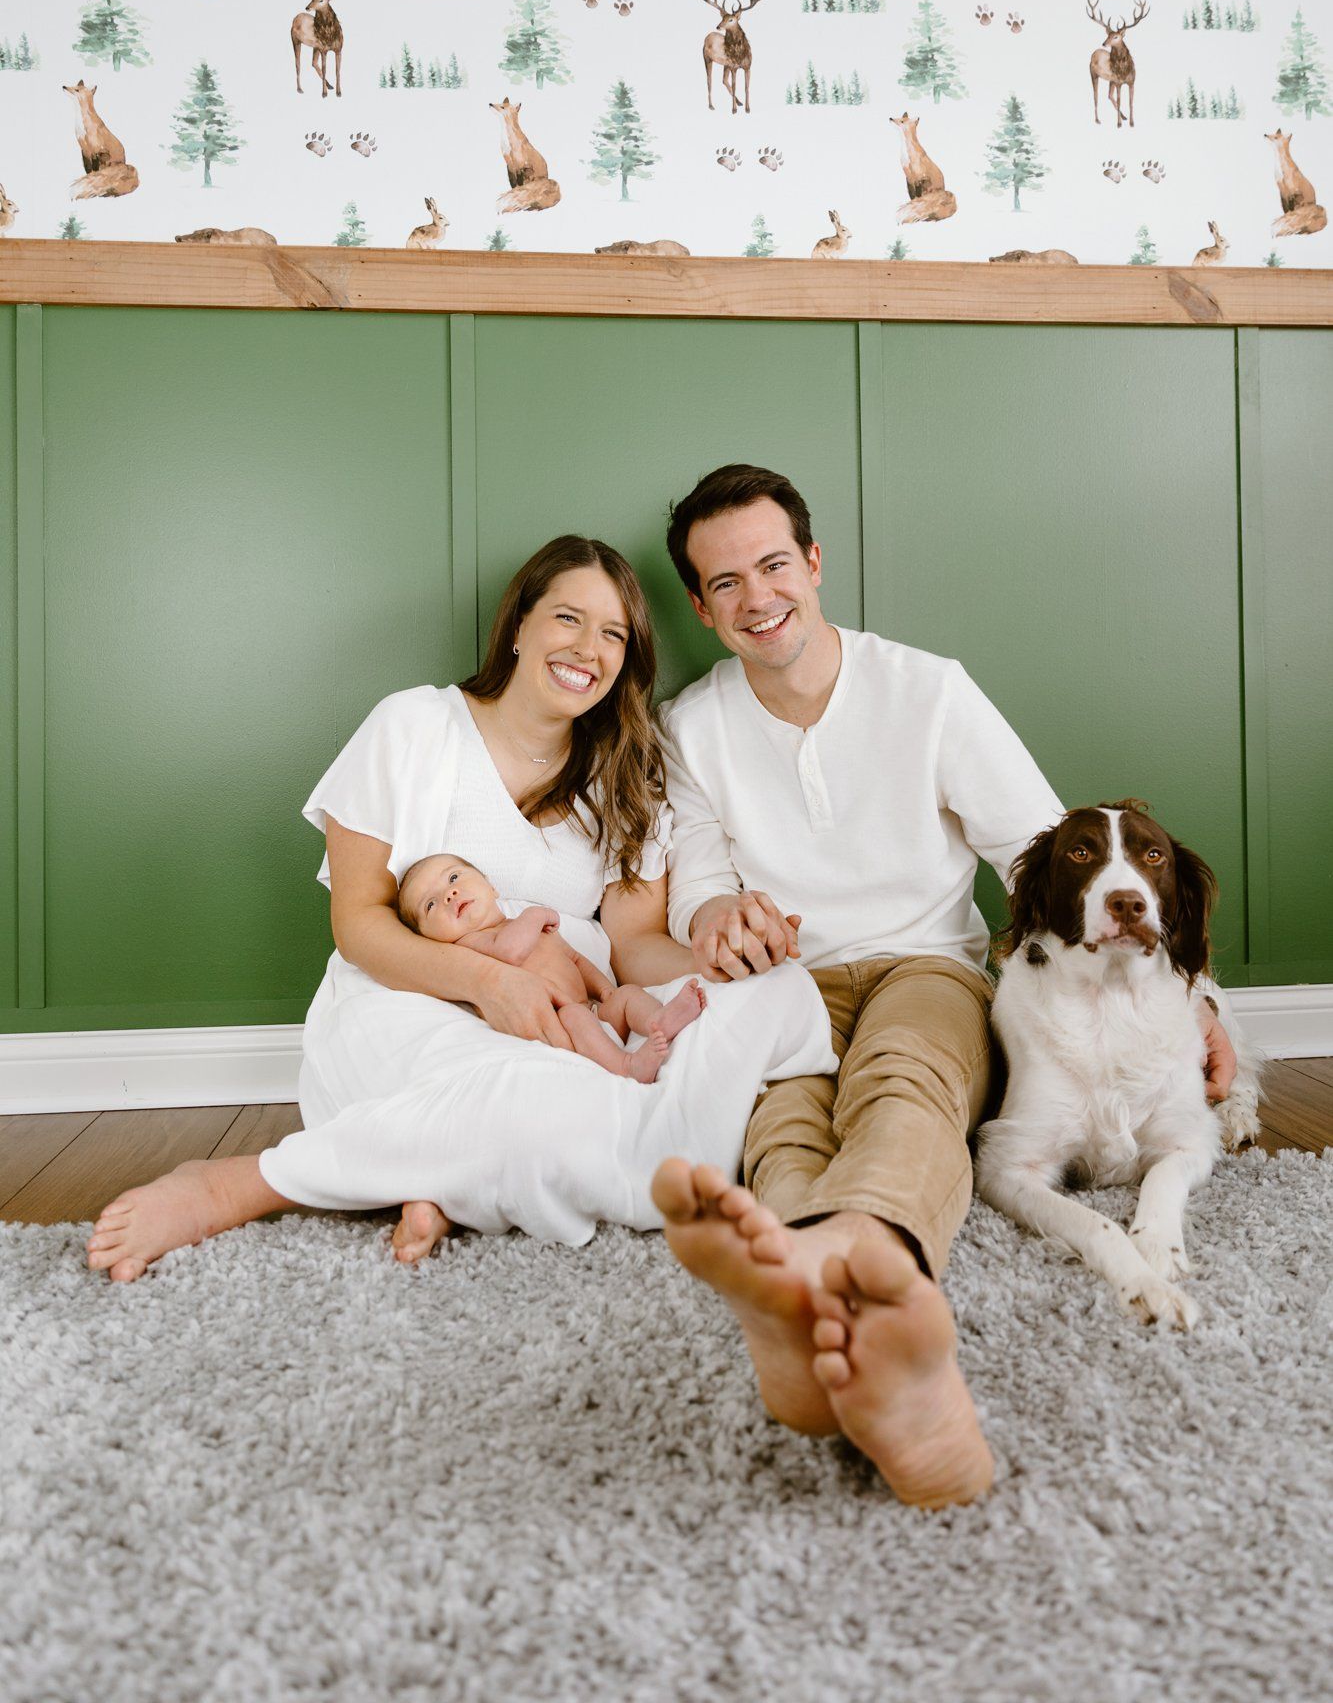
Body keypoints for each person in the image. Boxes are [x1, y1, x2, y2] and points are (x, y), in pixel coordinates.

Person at [648, 463, 1240, 1512]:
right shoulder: (690, 726)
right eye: (725, 581)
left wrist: (1201, 1002)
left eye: (774, 564)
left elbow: (1060, 864)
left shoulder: (928, 689)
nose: (757, 596)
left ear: (814, 562)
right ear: (701, 606)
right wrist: (714, 918)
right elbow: (696, 878)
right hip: (786, 978)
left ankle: (867, 1255)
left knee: (908, 1077)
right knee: (786, 1114)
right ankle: (806, 1293)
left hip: (927, 961)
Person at [86, 535, 834, 1283]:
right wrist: (487, 985)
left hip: (576, 1020)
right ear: (517, 626)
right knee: (545, 1110)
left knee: (782, 999)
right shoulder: (413, 728)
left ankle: (437, 1176)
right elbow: (360, 923)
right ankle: (240, 1184)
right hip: (413, 1004)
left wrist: (719, 963)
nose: (588, 648)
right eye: (567, 618)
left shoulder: (626, 772)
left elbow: (634, 945)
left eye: (612, 633)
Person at [395, 851, 708, 1083]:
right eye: (431, 904)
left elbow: (575, 959)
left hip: (594, 1012)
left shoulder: (523, 925)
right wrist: (536, 915)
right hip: (565, 1027)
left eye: (453, 878)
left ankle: (659, 1019)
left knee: (627, 994)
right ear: (428, 937)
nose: (449, 894)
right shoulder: (470, 946)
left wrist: (604, 989)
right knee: (573, 1014)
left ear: (491, 886)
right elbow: (509, 952)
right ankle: (628, 1066)